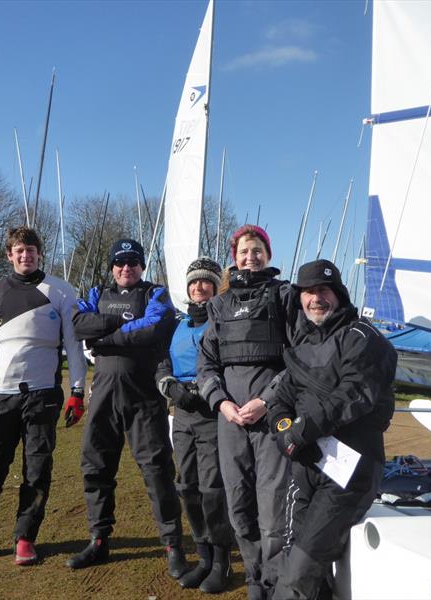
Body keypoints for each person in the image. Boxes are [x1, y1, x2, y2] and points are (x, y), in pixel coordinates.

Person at [0, 226, 87, 566]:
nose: (26, 255)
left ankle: (25, 538)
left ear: (41, 253)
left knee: (37, 469)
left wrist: (78, 392)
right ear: (9, 255)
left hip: (44, 397)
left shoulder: (61, 290)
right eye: (19, 250)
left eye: (32, 250)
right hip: (3, 395)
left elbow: (74, 345)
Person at [265, 259, 396, 599]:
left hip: (349, 472)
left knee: (298, 573)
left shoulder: (363, 338)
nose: (315, 299)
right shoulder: (302, 345)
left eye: (323, 290)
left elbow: (353, 393)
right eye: (308, 292)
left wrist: (302, 429)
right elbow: (279, 400)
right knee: (289, 558)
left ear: (338, 293)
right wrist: (284, 433)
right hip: (306, 465)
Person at [67, 238, 187, 578]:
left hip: (144, 399)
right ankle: (99, 539)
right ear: (112, 267)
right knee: (96, 468)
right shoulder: (96, 293)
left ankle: (172, 545)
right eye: (120, 262)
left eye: (133, 261)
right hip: (103, 396)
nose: (126, 267)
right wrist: (118, 325)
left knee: (157, 472)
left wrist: (103, 335)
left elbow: (153, 328)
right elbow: (78, 325)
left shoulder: (155, 294)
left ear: (141, 266)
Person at [197, 225, 300, 600]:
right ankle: (256, 581)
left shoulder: (285, 296)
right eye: (243, 251)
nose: (250, 257)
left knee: (273, 512)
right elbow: (206, 365)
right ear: (234, 256)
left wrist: (268, 401)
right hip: (231, 422)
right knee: (239, 506)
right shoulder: (219, 305)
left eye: (257, 250)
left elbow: (300, 358)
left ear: (268, 255)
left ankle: (276, 585)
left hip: (271, 420)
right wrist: (223, 404)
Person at [156, 257, 235, 593]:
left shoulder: (225, 322)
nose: (199, 287)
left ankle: (222, 560)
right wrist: (170, 386)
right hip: (183, 413)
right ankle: (202, 555)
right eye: (194, 283)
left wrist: (209, 393)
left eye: (206, 282)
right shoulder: (177, 324)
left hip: (212, 412)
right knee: (187, 486)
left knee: (212, 489)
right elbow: (161, 363)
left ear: (217, 287)